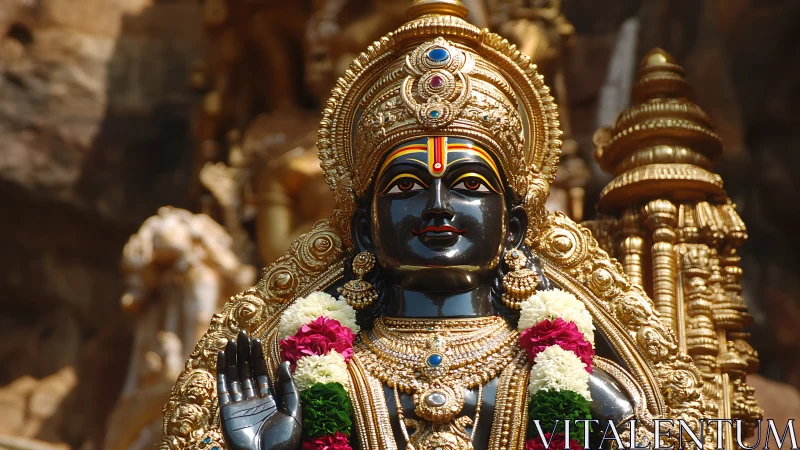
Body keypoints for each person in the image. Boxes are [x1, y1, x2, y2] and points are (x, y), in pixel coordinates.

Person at [161, 1, 709, 449]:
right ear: (365, 228)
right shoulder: (316, 381)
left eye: (470, 185)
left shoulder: (574, 380)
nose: (438, 206)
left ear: (513, 227)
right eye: (405, 187)